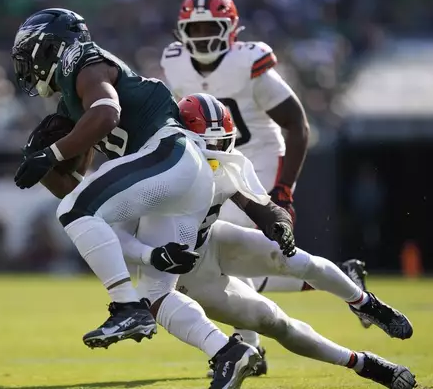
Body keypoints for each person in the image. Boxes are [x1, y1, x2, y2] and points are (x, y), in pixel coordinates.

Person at [12, 9, 260, 388]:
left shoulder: (82, 58)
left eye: (29, 54)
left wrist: (53, 153)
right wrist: (46, 167)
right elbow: (76, 189)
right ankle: (228, 352)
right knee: (157, 294)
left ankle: (127, 308)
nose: (26, 68)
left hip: (170, 155)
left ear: (49, 46)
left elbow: (107, 113)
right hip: (180, 180)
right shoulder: (71, 103)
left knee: (77, 213)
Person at [115, 94, 416, 389]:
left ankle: (364, 303)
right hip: (182, 274)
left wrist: (278, 222)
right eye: (208, 144)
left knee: (293, 258)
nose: (216, 152)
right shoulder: (150, 171)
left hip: (212, 240)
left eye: (222, 143)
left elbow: (259, 204)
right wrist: (150, 255)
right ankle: (363, 363)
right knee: (275, 323)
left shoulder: (226, 163)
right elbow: (114, 235)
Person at [160, 0, 370, 374]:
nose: (204, 36)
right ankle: (335, 281)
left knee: (232, 257)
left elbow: (297, 125)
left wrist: (284, 188)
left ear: (231, 30)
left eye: (212, 27)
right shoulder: (173, 61)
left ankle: (247, 349)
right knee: (221, 258)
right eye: (196, 28)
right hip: (214, 161)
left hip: (258, 157)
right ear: (182, 32)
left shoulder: (249, 62)